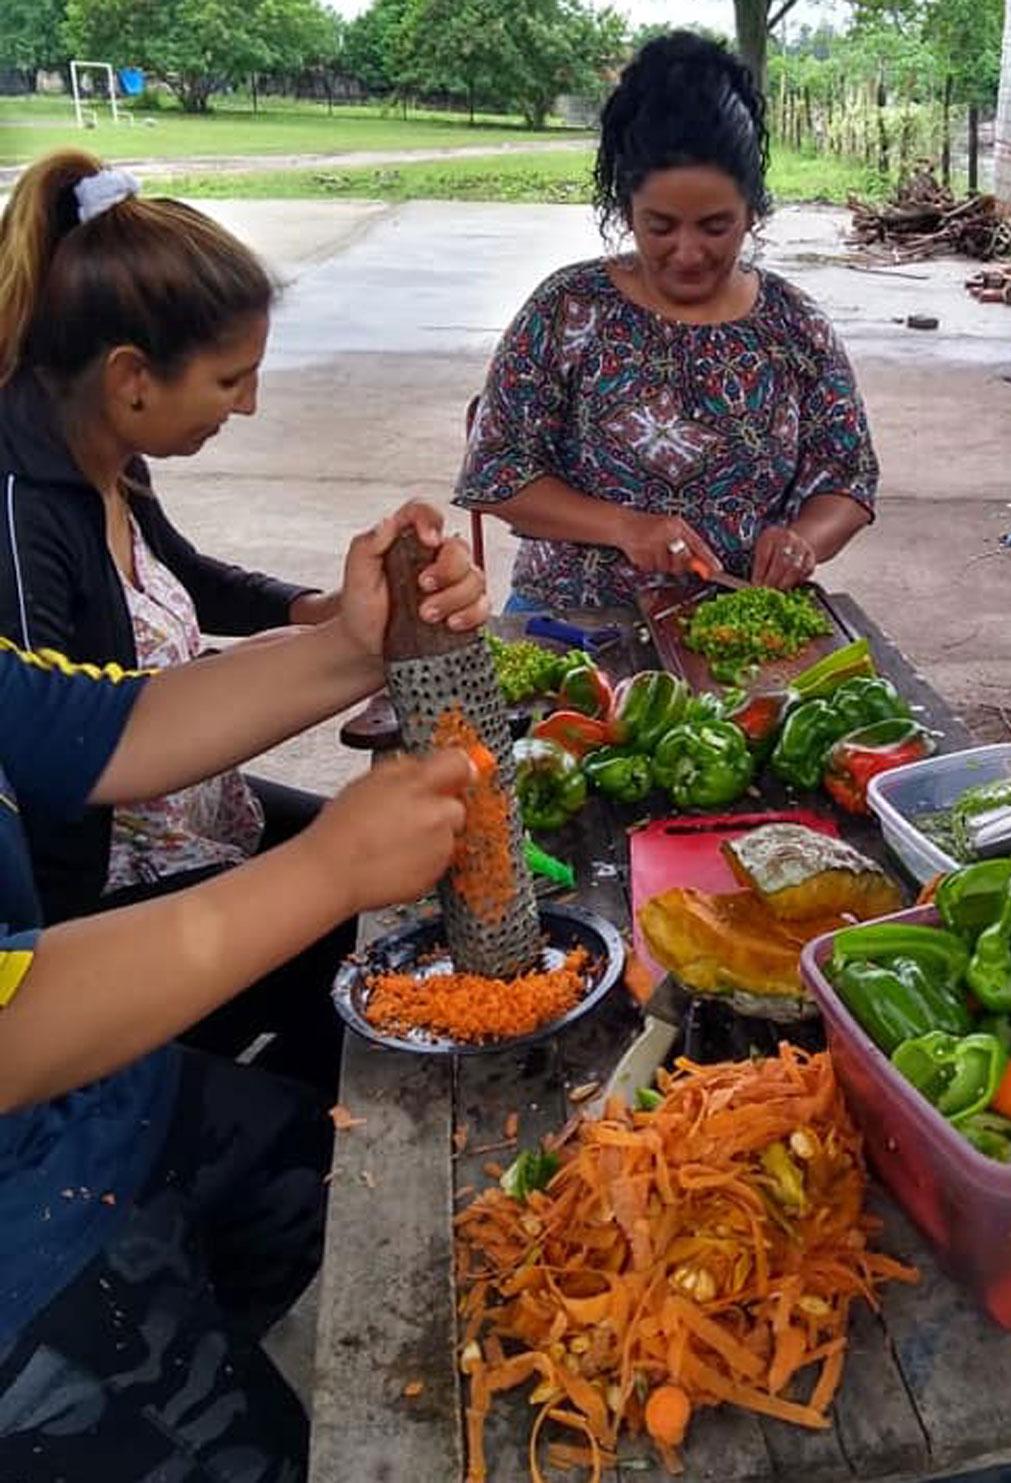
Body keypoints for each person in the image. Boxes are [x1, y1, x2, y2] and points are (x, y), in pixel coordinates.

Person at [0, 500, 485, 1480]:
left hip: (74, 1108)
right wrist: (326, 870)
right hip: (20, 1254)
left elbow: (90, 725)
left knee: (327, 1180)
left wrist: (357, 643)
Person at [0, 151, 355, 1090]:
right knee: (351, 939)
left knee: (387, 878)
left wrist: (312, 610)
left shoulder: (103, 447)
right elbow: (67, 768)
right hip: (99, 889)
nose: (250, 402)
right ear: (133, 378)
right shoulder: (21, 518)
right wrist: (321, 655)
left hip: (188, 801)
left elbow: (182, 574)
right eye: (231, 379)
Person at [455, 31, 879, 612]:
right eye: (660, 226)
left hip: (742, 620)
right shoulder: (569, 309)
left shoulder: (794, 325)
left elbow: (847, 478)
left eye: (714, 227)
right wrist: (627, 527)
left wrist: (802, 540)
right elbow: (497, 472)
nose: (686, 253)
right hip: (574, 623)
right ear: (624, 207)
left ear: (752, 211)